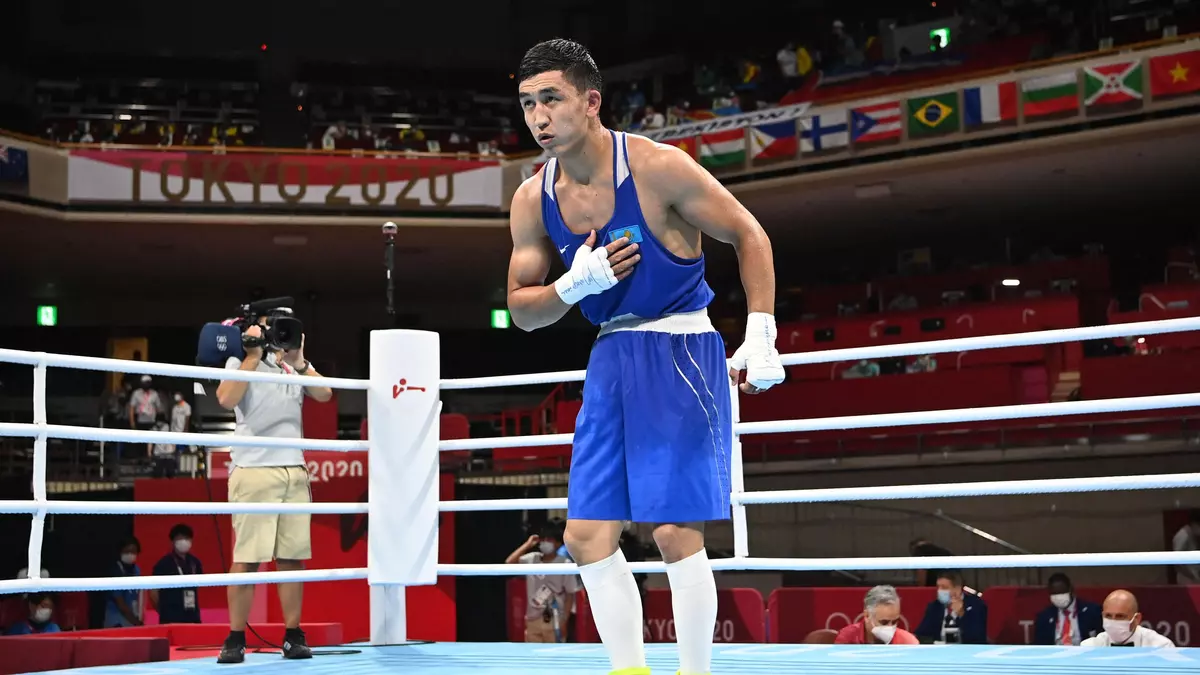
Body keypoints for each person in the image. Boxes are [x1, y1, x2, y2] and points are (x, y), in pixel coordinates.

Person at [507, 39, 785, 675]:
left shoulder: (659, 167)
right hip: (610, 356)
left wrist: (762, 331)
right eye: (527, 104)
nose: (538, 117)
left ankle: (695, 671)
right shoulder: (531, 198)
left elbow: (749, 233)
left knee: (674, 532)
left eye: (551, 99)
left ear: (591, 102)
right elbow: (523, 310)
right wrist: (572, 286)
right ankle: (630, 669)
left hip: (680, 348)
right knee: (584, 537)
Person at [214, 316, 332, 663]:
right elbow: (225, 398)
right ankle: (235, 638)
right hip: (253, 470)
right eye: (271, 326)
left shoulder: (293, 366)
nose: (278, 333)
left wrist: (300, 361)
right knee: (248, 559)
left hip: (293, 470)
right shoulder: (240, 361)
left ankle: (293, 635)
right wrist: (252, 355)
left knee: (292, 559)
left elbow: (325, 394)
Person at [506, 519, 577, 643]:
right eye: (542, 539)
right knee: (533, 654)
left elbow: (570, 595)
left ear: (558, 543)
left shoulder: (565, 564)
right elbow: (509, 563)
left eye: (549, 539)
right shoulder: (532, 559)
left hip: (555, 620)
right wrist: (527, 545)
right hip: (532, 619)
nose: (545, 542)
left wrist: (564, 621)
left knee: (555, 653)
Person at [1080, 589, 1174, 648]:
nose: (1113, 621)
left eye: (1120, 616)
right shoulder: (1090, 647)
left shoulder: (1161, 647)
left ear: (1137, 619)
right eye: (1108, 616)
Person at [149, 524, 203, 624]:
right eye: (180, 538)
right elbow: (153, 593)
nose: (184, 541)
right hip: (170, 618)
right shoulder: (163, 564)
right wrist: (164, 613)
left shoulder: (195, 563)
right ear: (173, 541)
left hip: (193, 617)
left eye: (186, 538)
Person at [914, 570, 988, 644]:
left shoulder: (976, 605)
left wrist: (962, 614)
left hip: (966, 649)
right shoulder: (935, 606)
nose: (939, 590)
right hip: (940, 649)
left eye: (944, 587)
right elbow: (922, 634)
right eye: (938, 587)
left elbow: (978, 636)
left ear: (957, 589)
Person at [835, 585, 919, 645]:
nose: (890, 627)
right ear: (867, 615)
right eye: (884, 622)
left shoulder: (909, 643)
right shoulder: (847, 639)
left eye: (894, 622)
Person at [1033, 572, 1101, 645]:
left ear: (1071, 589)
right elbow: (1040, 644)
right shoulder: (1044, 617)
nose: (1058, 597)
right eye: (1054, 593)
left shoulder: (1092, 611)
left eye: (1061, 592)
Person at [104, 537, 143, 627]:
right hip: (116, 620)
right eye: (127, 551)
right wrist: (136, 622)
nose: (130, 554)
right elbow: (120, 603)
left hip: (131, 618)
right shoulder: (115, 571)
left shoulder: (137, 570)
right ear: (120, 552)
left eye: (133, 552)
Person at [1171, 510, 1200, 584]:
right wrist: (1191, 576)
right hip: (1186, 578)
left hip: (1195, 576)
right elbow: (1177, 562)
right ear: (1194, 524)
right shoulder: (1182, 536)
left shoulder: (1193, 535)